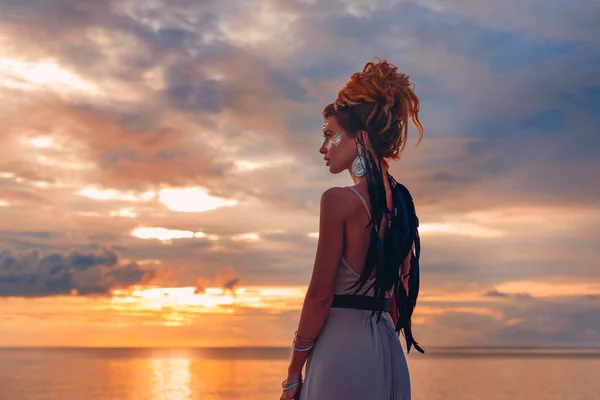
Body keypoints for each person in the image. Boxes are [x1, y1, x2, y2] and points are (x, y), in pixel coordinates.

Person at [279, 58, 425, 400]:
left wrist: (293, 372)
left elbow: (319, 296)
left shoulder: (339, 201)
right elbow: (396, 301)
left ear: (358, 137)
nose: (323, 147)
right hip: (388, 352)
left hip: (341, 351)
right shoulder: (403, 203)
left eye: (330, 136)